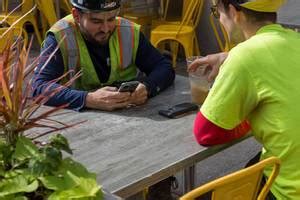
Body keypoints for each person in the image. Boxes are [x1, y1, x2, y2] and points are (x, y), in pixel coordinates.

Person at [188, 0, 300, 199]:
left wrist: (249, 117)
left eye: (217, 12)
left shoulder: (244, 57)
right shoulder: (295, 39)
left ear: (234, 12)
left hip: (288, 193)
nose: (220, 20)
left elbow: (205, 133)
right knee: (252, 166)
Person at [32, 0, 175, 112]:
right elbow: (39, 87)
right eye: (96, 21)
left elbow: (165, 67)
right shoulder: (59, 36)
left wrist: (147, 87)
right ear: (76, 15)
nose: (106, 29)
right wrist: (88, 99)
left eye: (112, 19)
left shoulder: (128, 31)